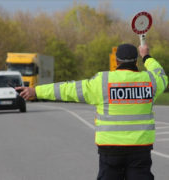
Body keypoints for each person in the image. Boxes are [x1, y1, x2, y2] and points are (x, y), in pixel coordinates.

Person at [16, 44, 168, 180]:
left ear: (116, 61)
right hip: (140, 150)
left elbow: (68, 89)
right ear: (136, 62)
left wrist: (36, 91)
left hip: (110, 150)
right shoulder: (150, 81)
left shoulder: (102, 81)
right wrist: (147, 56)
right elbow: (161, 75)